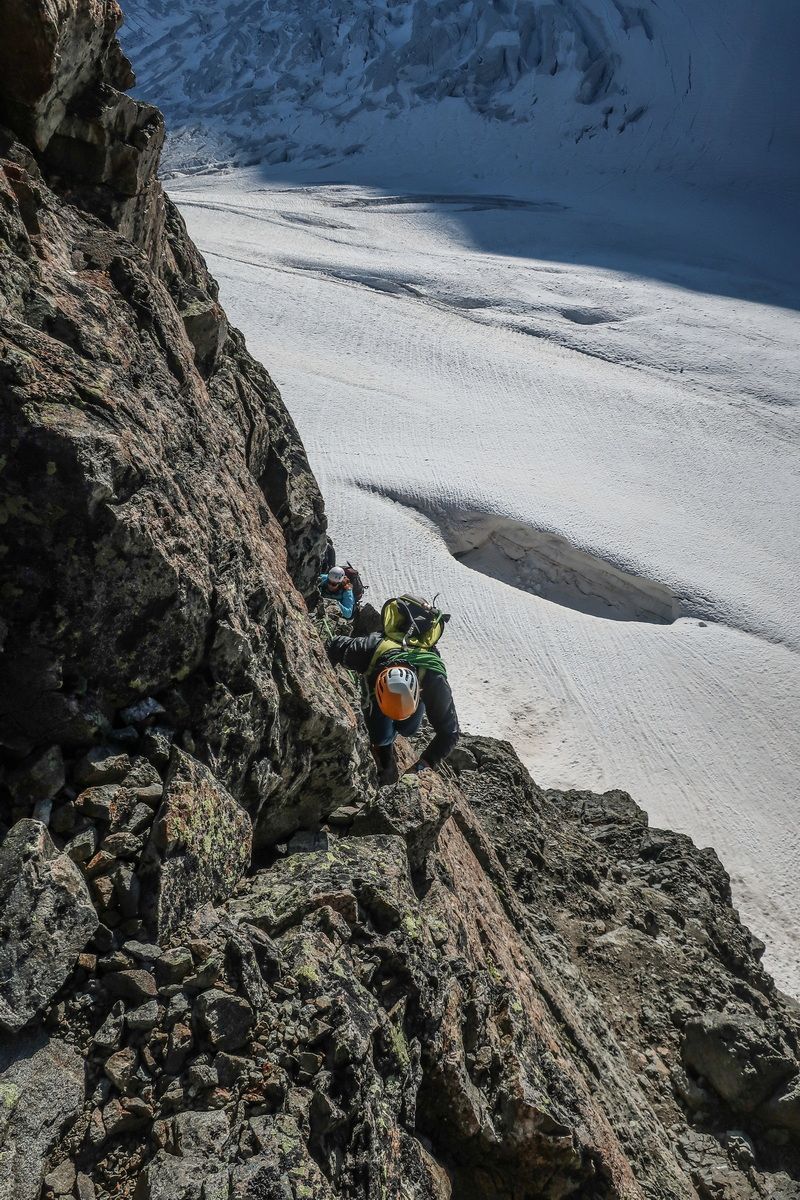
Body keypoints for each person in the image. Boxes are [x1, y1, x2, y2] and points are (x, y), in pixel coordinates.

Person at [326, 629, 459, 785]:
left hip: (406, 688)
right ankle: (383, 740)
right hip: (377, 691)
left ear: (419, 691)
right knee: (380, 737)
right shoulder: (368, 650)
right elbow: (333, 645)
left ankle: (392, 731)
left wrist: (424, 764)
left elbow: (450, 732)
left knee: (408, 730)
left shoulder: (433, 680)